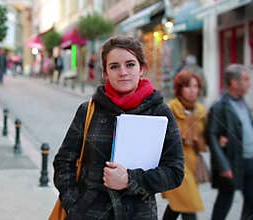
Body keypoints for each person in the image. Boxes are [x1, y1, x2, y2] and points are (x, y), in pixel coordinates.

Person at [53, 35, 184, 219]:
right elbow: (63, 162)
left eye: (130, 64)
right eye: (114, 66)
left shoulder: (160, 112)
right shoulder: (88, 110)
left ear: (142, 69)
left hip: (139, 215)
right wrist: (75, 206)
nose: (123, 72)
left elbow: (175, 171)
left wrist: (130, 180)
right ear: (106, 73)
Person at [207, 64, 253, 220]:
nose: (249, 83)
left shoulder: (243, 102)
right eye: (246, 79)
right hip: (232, 161)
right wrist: (224, 165)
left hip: (250, 160)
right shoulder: (220, 106)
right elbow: (212, 136)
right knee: (225, 200)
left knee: (251, 200)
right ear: (234, 82)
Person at [162, 70, 207, 220]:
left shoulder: (200, 110)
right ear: (179, 88)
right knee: (189, 204)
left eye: (195, 86)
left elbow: (204, 136)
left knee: (177, 205)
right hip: (175, 162)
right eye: (187, 86)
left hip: (193, 161)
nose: (192, 90)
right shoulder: (170, 108)